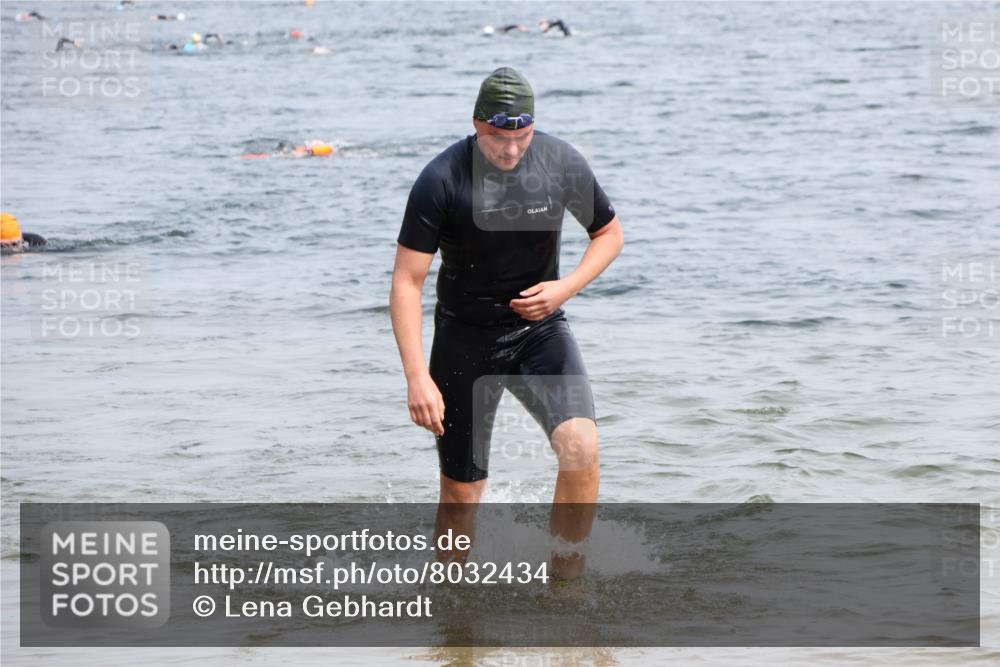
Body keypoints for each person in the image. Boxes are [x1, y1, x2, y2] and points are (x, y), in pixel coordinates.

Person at [390, 67, 623, 579]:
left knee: (582, 448)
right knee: (460, 494)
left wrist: (565, 288)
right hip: (464, 340)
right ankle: (452, 612)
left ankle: (566, 586)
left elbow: (609, 234)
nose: (511, 150)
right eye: (499, 137)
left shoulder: (561, 163)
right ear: (477, 124)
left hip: (540, 332)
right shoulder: (441, 179)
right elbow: (407, 283)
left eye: (521, 137)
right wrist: (416, 377)